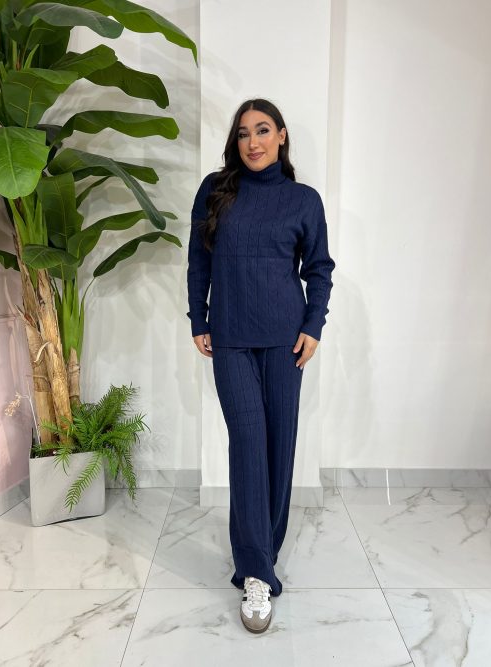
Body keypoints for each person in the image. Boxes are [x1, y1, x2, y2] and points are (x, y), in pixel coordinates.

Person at [186, 98, 336, 634]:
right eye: (245, 132)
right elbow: (198, 260)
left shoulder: (303, 200)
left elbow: (319, 269)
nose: (253, 141)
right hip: (230, 339)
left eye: (263, 130)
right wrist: (198, 317)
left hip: (284, 342)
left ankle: (263, 554)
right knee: (248, 445)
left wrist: (313, 325)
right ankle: (255, 572)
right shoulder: (215, 190)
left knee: (278, 447)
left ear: (281, 136)